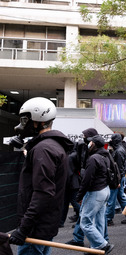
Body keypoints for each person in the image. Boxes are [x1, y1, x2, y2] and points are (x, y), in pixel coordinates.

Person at [8, 97, 74, 255]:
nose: (22, 125)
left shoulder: (43, 150)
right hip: (45, 224)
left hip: (35, 229)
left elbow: (43, 193)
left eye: (25, 119)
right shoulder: (52, 146)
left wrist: (23, 229)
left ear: (38, 119)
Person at [75, 134, 114, 254]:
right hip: (105, 190)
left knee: (85, 222)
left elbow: (87, 179)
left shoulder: (93, 159)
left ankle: (102, 245)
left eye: (90, 143)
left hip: (96, 192)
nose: (89, 144)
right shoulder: (106, 156)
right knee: (99, 220)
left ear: (94, 145)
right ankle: (97, 248)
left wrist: (79, 196)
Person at [106, 133, 126, 226]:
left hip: (117, 177)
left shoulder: (118, 151)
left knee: (112, 198)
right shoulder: (120, 149)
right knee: (121, 197)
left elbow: (118, 167)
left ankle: (108, 218)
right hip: (120, 177)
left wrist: (117, 181)